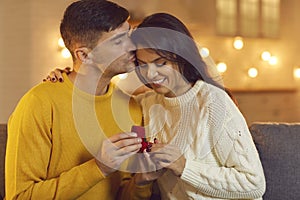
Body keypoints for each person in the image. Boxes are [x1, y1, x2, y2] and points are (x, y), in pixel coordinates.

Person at [47, 13, 266, 199]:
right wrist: (68, 75)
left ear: (182, 57)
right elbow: (99, 94)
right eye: (142, 64)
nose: (151, 74)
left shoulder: (213, 102)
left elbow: (254, 183)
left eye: (161, 63)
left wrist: (183, 166)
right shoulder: (146, 104)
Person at [5, 0, 153, 199]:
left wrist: (141, 183)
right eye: (118, 41)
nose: (132, 46)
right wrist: (98, 168)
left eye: (129, 35)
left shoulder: (132, 107)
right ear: (84, 55)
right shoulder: (38, 104)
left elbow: (124, 194)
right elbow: (20, 196)